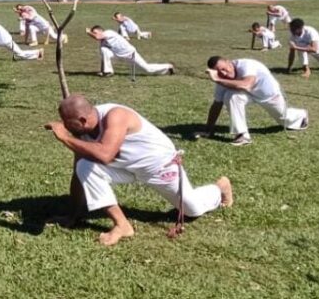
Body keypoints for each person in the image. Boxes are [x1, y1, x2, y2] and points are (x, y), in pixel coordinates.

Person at [45, 94, 233, 247]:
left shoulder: (115, 115)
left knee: (192, 210)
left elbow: (105, 154)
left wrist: (64, 138)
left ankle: (219, 188)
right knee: (84, 165)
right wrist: (72, 215)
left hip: (158, 166)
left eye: (67, 123)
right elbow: (79, 174)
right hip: (125, 168)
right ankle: (122, 225)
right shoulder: (82, 132)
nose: (64, 127)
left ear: (83, 119)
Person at [203, 56, 309, 146]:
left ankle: (301, 115)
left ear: (228, 62)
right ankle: (242, 135)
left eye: (224, 69)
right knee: (231, 96)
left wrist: (217, 79)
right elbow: (217, 104)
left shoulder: (246, 65)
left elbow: (247, 84)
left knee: (284, 118)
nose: (224, 73)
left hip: (268, 94)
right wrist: (207, 130)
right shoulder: (222, 80)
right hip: (247, 94)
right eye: (219, 72)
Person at [87, 26, 173, 77]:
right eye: (94, 33)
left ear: (101, 31)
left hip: (130, 54)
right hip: (118, 55)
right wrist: (102, 71)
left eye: (96, 32)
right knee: (103, 49)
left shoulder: (108, 32)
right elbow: (104, 58)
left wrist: (88, 32)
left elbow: (97, 37)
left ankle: (168, 66)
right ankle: (108, 72)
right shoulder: (103, 43)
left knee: (147, 70)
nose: (95, 34)